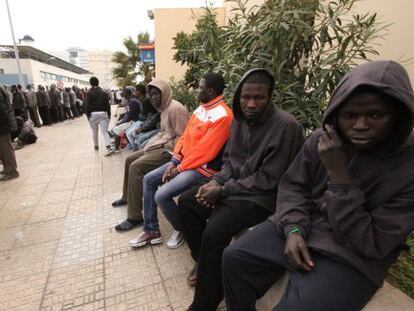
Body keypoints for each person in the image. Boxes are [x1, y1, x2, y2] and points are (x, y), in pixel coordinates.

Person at [222, 61, 414, 311]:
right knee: (234, 257)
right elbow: (293, 186)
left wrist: (339, 174)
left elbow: (371, 242)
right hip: (305, 226)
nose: (360, 125)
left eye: (376, 115)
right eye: (349, 116)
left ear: (398, 115)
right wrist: (292, 229)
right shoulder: (321, 140)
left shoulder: (407, 166)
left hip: (353, 255)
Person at [178, 69, 304, 311]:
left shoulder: (286, 127)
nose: (251, 104)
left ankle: (206, 301)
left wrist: (222, 190)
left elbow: (268, 180)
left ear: (270, 98)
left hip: (264, 198)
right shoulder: (238, 120)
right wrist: (216, 182)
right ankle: (204, 264)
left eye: (259, 98)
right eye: (246, 97)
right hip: (235, 189)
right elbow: (229, 162)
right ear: (238, 96)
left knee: (214, 231)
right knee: (187, 202)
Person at [128, 73, 234, 249]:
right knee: (149, 179)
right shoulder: (202, 108)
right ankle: (152, 229)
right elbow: (185, 137)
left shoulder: (223, 115)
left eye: (200, 87)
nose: (197, 90)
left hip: (203, 169)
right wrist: (174, 161)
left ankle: (183, 229)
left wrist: (180, 168)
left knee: (162, 195)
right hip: (186, 163)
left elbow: (205, 151)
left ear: (210, 90)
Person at [111, 79, 189, 233]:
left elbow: (184, 138)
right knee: (129, 159)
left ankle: (135, 216)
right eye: (151, 94)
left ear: (165, 92)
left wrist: (173, 157)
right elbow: (163, 132)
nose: (153, 97)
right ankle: (128, 197)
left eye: (156, 94)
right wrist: (152, 142)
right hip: (160, 146)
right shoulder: (164, 108)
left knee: (136, 167)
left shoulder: (176, 109)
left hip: (170, 152)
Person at [85, 76, 112, 155]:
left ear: (90, 83)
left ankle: (96, 146)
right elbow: (108, 104)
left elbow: (87, 105)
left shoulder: (89, 92)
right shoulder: (104, 92)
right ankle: (109, 147)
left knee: (94, 131)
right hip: (103, 113)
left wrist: (88, 115)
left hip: (93, 114)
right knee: (104, 132)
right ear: (98, 82)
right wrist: (109, 114)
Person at [110, 87, 141, 153]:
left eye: (123, 94)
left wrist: (121, 122)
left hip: (134, 121)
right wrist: (121, 120)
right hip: (132, 120)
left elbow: (130, 116)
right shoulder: (131, 101)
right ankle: (126, 144)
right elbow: (127, 113)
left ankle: (116, 148)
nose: (122, 95)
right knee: (118, 126)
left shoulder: (132, 102)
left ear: (126, 94)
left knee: (117, 129)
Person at [0, 84, 19, 181]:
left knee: (6, 149)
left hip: (3, 124)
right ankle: (7, 168)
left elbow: (1, 110)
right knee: (3, 150)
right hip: (4, 123)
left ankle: (12, 171)